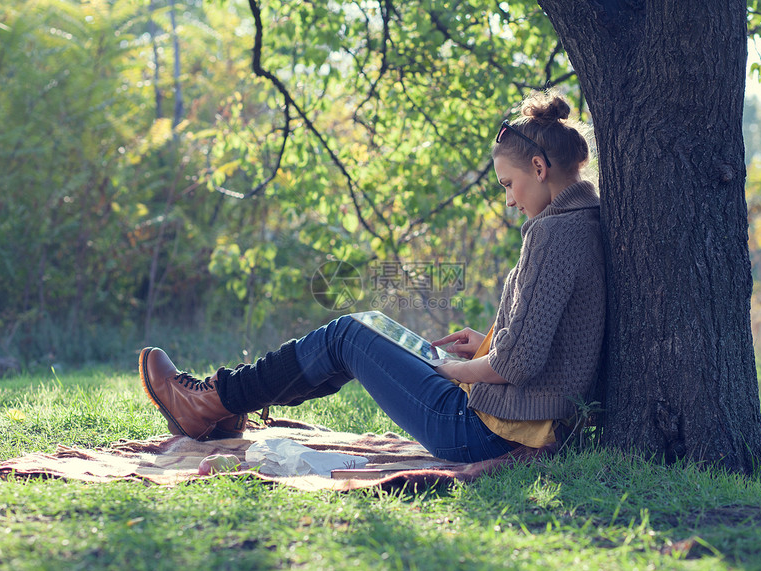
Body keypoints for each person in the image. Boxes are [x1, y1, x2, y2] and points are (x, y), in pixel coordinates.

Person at [139, 92, 605, 463]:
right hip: (507, 421)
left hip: (483, 430)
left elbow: (515, 366)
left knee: (348, 334)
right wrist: (487, 343)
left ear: (540, 169)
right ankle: (223, 406)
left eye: (508, 184)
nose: (508, 200)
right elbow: (546, 343)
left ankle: (212, 402)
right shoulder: (582, 222)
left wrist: (452, 371)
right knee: (366, 329)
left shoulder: (553, 234)